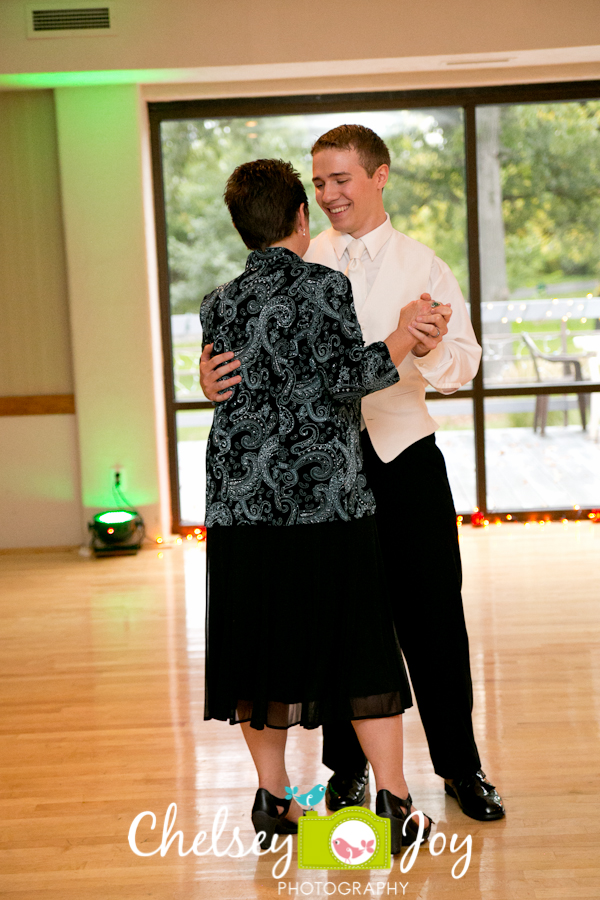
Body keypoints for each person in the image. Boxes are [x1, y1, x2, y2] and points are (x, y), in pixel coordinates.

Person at [201, 126, 505, 824]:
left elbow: (464, 364)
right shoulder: (301, 255)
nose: (330, 194)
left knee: (433, 623)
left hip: (402, 465)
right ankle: (348, 776)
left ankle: (461, 768)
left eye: (342, 178)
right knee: (337, 624)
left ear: (379, 177)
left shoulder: (424, 264)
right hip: (323, 482)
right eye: (319, 183)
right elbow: (268, 365)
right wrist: (209, 377)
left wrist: (424, 349)